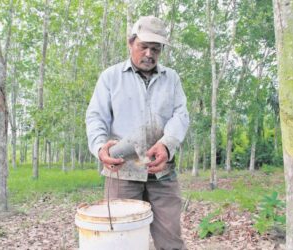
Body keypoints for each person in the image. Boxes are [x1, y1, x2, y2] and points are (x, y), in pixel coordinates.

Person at [86, 15, 189, 250]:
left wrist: (166, 144)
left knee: (171, 240)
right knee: (122, 240)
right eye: (144, 47)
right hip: (122, 172)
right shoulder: (110, 77)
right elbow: (96, 117)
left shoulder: (171, 79)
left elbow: (180, 115)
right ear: (131, 42)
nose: (149, 54)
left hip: (162, 172)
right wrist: (100, 147)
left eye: (156, 49)